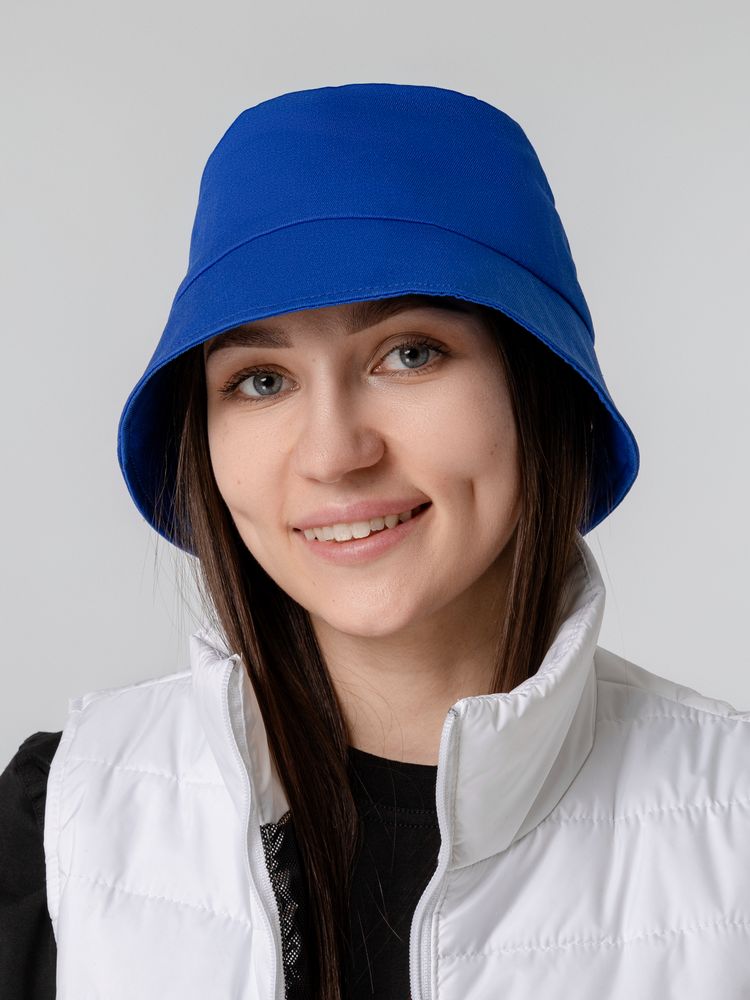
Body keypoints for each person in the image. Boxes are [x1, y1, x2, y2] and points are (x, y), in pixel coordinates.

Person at [1, 82, 748, 1000]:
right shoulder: (61, 823)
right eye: (262, 380)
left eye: (410, 353)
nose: (333, 454)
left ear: (537, 389)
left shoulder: (734, 827)